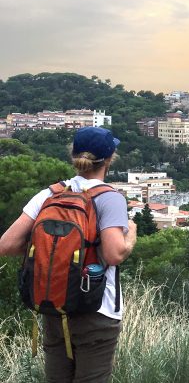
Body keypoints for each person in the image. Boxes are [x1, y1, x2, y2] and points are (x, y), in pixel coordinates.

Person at [0, 126, 137, 383]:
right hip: (97, 312)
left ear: (73, 156)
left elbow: (6, 245)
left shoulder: (49, 193)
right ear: (109, 159)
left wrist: (48, 254)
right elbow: (114, 254)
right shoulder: (110, 198)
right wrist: (131, 236)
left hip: (54, 306)